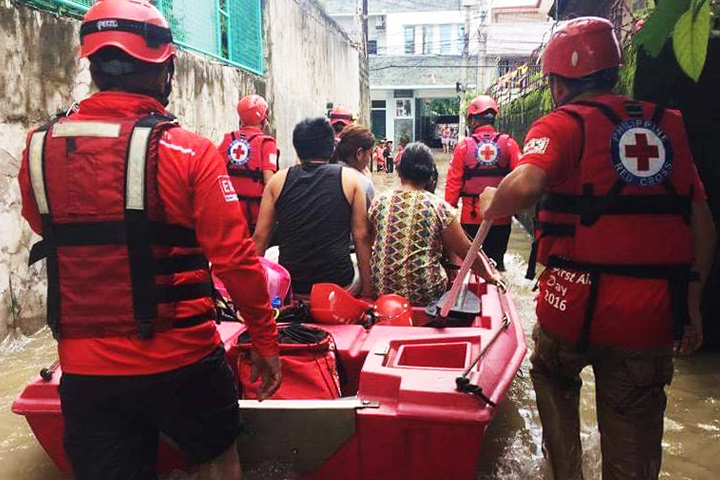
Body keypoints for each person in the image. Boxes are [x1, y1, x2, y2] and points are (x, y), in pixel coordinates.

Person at [17, 2, 282, 480]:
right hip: (182, 360)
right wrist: (264, 338)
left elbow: (44, 227)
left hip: (86, 368)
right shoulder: (189, 150)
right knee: (219, 461)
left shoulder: (38, 148)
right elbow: (237, 261)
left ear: (92, 66)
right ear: (166, 69)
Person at [478, 17, 716, 480]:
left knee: (549, 372)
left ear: (558, 83)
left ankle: (566, 472)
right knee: (635, 427)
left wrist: (493, 200)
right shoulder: (668, 128)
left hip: (573, 301)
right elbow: (702, 226)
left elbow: (526, 184)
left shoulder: (562, 123)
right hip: (650, 314)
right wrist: (691, 304)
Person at [253, 117, 372, 298]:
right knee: (356, 258)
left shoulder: (277, 181)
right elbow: (361, 237)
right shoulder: (351, 180)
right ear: (332, 148)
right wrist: (368, 293)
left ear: (298, 149)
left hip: (292, 286)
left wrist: (252, 294)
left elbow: (260, 237)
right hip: (340, 286)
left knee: (272, 253)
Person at [369, 143, 500, 306]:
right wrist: (490, 276)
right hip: (425, 295)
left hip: (381, 291)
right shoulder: (439, 206)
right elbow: (466, 251)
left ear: (399, 171)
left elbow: (375, 243)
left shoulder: (378, 201)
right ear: (430, 175)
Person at [445, 95, 521, 271]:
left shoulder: (463, 147)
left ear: (472, 120)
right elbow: (521, 178)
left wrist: (447, 216)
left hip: (470, 217)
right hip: (500, 217)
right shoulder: (509, 144)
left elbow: (453, 185)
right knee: (497, 264)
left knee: (471, 266)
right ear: (493, 118)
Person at [217, 94, 278, 234]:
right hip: (254, 216)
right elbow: (269, 182)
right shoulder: (266, 143)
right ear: (262, 118)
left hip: (229, 211)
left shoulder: (227, 140)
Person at [333, 125, 376, 208]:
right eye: (369, 154)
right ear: (359, 153)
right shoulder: (364, 184)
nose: (369, 160)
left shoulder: (323, 173)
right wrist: (368, 180)